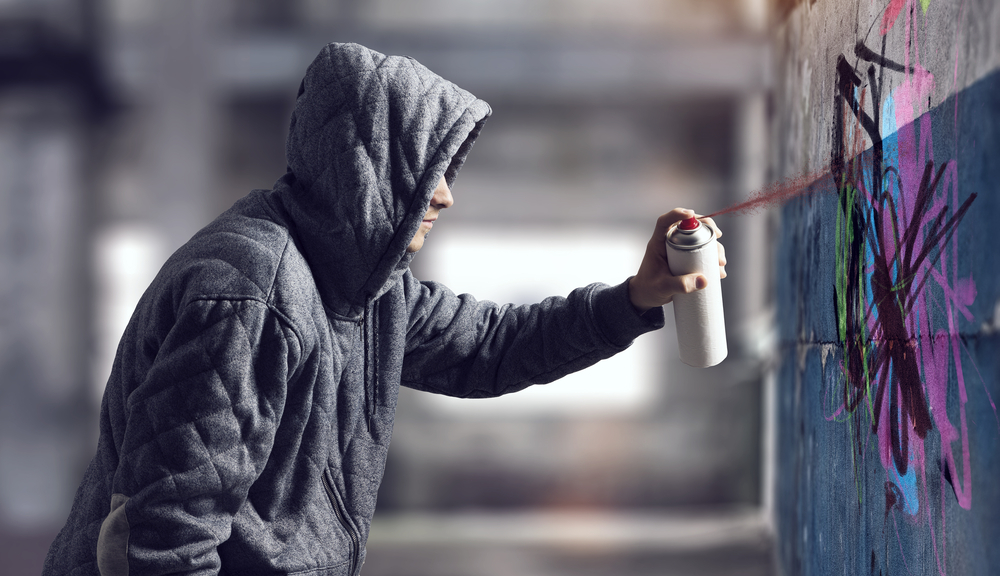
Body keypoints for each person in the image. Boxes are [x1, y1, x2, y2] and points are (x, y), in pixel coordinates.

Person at [43, 42, 726, 576]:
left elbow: (490, 346)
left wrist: (637, 297)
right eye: (428, 171)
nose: (445, 198)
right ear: (364, 166)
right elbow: (160, 539)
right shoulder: (249, 297)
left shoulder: (363, 284)